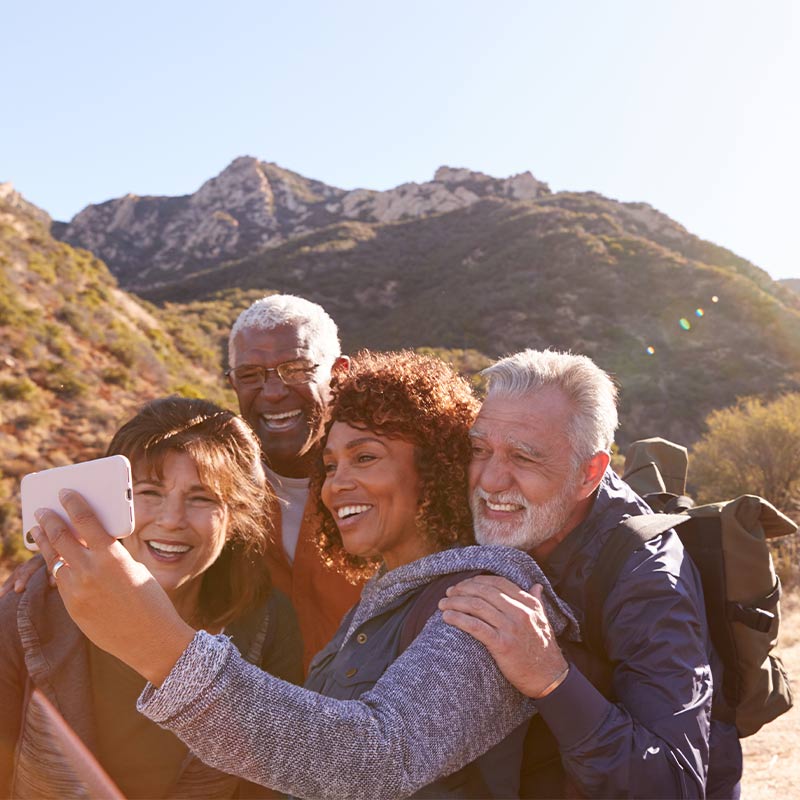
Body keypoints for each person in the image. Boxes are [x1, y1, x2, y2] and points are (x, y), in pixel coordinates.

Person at [29, 351, 580, 800]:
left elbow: (376, 761)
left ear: (435, 467)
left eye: (365, 457)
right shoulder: (384, 603)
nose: (336, 484)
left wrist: (162, 649)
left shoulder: (491, 590)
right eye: (331, 465)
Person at [438, 348, 742, 798]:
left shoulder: (649, 579)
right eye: (479, 450)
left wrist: (550, 678)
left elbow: (675, 785)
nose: (490, 480)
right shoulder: (520, 516)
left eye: (524, 458)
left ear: (589, 473)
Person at [2, 294, 362, 672]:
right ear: (232, 383)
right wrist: (58, 556)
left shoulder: (384, 487)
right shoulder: (215, 480)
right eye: (251, 375)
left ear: (338, 374)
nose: (273, 391)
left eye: (295, 369)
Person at [0, 397, 302, 799]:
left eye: (202, 498)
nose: (172, 519)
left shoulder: (265, 622)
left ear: (235, 518)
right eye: (149, 492)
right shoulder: (30, 609)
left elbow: (269, 788)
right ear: (109, 504)